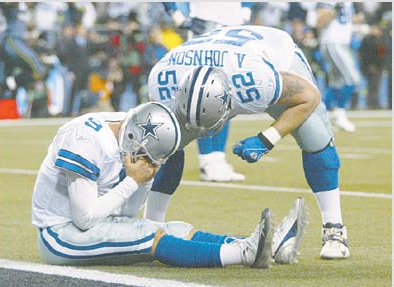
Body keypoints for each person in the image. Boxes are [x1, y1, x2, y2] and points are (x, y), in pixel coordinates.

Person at [147, 25, 349, 260]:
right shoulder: (162, 79)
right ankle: (151, 225)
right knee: (164, 141)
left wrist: (268, 138)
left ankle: (334, 229)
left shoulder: (256, 82)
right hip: (211, 59)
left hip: (271, 52)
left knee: (315, 135)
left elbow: (309, 96)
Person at [31, 101, 308, 267]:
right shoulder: (84, 138)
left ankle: (262, 247)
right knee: (151, 235)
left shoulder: (133, 129)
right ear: (132, 138)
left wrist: (139, 183)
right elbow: (83, 218)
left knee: (174, 228)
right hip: (60, 235)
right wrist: (132, 181)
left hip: (90, 223)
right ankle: (245, 253)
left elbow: (125, 216)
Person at [162, 2, 253, 182]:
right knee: (203, 95)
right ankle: (206, 160)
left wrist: (245, 9)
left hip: (234, 27)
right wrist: (176, 15)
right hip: (205, 25)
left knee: (226, 94)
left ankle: (218, 159)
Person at [315, 2, 363, 132]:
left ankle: (320, 117)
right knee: (352, 79)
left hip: (342, 43)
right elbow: (319, 21)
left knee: (336, 83)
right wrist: (334, 9)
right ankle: (339, 114)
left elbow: (352, 19)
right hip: (333, 42)